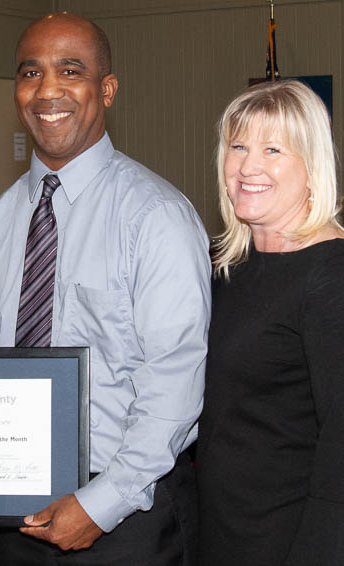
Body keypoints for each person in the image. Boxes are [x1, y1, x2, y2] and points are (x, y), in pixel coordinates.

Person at [0, 12, 211, 566]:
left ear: (107, 89)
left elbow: (173, 384)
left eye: (70, 70)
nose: (47, 89)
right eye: (31, 73)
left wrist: (101, 503)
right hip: (18, 514)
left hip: (130, 518)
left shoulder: (157, 217)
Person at [197, 80, 344, 566]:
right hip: (223, 531)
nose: (247, 166)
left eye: (273, 149)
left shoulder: (330, 278)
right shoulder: (227, 269)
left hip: (290, 542)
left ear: (312, 169)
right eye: (237, 146)